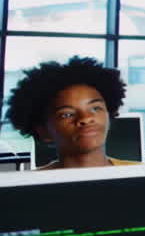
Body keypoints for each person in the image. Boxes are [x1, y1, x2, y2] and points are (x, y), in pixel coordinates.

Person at [5, 56, 133, 169]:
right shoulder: (26, 188)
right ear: (43, 131)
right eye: (67, 114)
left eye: (95, 108)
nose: (86, 118)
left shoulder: (143, 175)